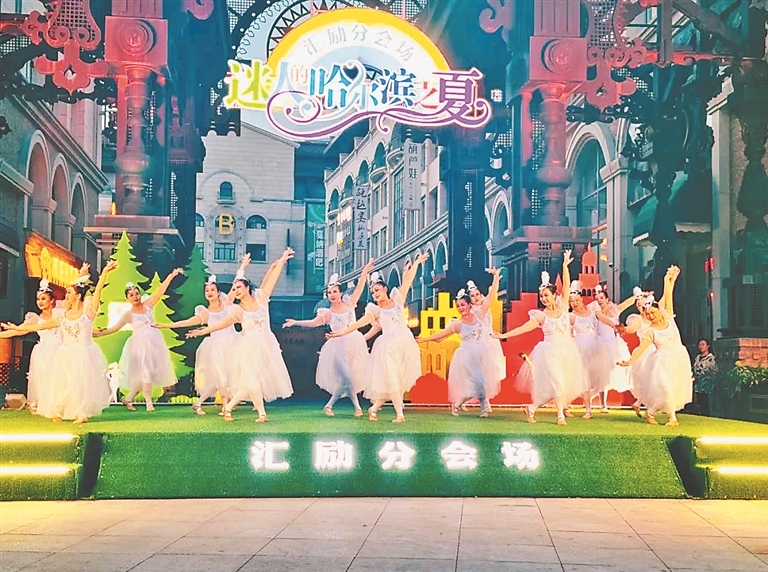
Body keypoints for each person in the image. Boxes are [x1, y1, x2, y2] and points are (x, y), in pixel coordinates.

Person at [188, 248, 295, 422]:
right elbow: (221, 324)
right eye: (234, 288)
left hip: (266, 346)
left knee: (253, 382)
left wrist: (282, 260)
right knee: (252, 380)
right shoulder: (237, 310)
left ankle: (229, 407)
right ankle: (261, 414)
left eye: (238, 287)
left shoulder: (261, 298)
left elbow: (272, 280)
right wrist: (202, 331)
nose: (236, 290)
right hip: (248, 349)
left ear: (247, 287)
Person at [3, 261, 117, 423]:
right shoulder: (62, 316)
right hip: (65, 354)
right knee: (63, 383)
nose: (66, 295)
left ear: (78, 296)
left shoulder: (88, 312)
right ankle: (59, 411)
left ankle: (81, 413)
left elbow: (97, 293)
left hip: (83, 353)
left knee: (81, 383)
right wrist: (16, 328)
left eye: (69, 293)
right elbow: (38, 326)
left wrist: (104, 273)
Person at [327, 253, 429, 423]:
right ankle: (400, 415)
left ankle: (374, 408)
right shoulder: (374, 311)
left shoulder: (397, 300)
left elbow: (408, 281)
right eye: (373, 292)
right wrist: (341, 333)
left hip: (404, 344)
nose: (375, 294)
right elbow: (357, 324)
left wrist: (417, 262)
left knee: (397, 381)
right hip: (387, 348)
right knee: (392, 380)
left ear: (385, 289)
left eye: (377, 290)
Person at [493, 250, 587, 426]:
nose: (543, 298)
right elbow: (523, 328)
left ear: (554, 295)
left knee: (558, 387)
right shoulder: (540, 316)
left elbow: (566, 285)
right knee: (558, 383)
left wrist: (565, 266)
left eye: (546, 295)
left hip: (567, 351)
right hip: (550, 352)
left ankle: (531, 408)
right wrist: (504, 335)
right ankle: (560, 416)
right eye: (541, 296)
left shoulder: (563, 306)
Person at [283, 260, 374, 417]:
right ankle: (356, 408)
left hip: (354, 345)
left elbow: (359, 288)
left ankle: (330, 406)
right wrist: (296, 322)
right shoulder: (327, 313)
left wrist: (365, 272)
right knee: (348, 379)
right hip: (337, 347)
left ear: (341, 293)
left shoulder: (350, 304)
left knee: (346, 381)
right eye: (329, 292)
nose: (332, 295)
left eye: (334, 292)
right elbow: (313, 323)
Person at [94, 268, 183, 411]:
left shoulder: (148, 305)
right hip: (139, 346)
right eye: (131, 295)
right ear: (127, 299)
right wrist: (99, 334)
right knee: (145, 372)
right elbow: (114, 328)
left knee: (148, 374)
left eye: (137, 294)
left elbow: (161, 290)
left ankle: (128, 398)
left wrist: (171, 275)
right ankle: (148, 402)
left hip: (153, 344)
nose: (135, 296)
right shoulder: (128, 315)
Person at [417, 270, 502, 418]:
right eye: (458, 306)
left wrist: (495, 278)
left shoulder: (480, 314)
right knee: (477, 382)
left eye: (463, 305)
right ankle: (466, 405)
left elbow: (491, 297)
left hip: (482, 353)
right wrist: (425, 339)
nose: (461, 308)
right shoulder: (457, 323)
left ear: (469, 305)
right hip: (467, 356)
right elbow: (442, 334)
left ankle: (471, 407)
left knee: (481, 382)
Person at [155, 272, 243, 415]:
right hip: (216, 347)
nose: (209, 293)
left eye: (212, 290)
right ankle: (225, 407)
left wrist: (243, 267)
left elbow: (235, 285)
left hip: (233, 344)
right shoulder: (205, 312)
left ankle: (199, 403)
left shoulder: (227, 303)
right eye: (207, 291)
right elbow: (188, 322)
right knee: (221, 377)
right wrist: (166, 325)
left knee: (229, 377)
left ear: (218, 292)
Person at [619, 266, 693, 426]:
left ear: (659, 310)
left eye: (653, 312)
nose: (651, 316)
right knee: (666, 388)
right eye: (648, 314)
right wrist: (630, 361)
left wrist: (669, 280)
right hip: (661, 361)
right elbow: (641, 349)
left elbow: (668, 295)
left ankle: (650, 412)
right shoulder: (650, 331)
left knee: (673, 389)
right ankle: (672, 419)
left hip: (678, 358)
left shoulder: (669, 319)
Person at [568, 280, 613, 418]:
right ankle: (588, 409)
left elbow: (603, 318)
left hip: (596, 347)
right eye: (571, 301)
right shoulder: (571, 316)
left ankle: (600, 404)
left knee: (598, 377)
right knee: (584, 379)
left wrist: (615, 326)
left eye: (576, 300)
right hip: (580, 348)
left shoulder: (593, 309)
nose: (574, 303)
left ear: (581, 299)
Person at [587, 283, 633, 409]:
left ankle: (593, 396)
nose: (599, 300)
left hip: (613, 344)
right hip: (600, 345)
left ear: (607, 299)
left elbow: (628, 303)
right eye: (597, 299)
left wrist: (639, 296)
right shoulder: (595, 312)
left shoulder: (614, 310)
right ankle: (602, 404)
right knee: (602, 373)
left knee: (612, 372)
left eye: (602, 298)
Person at [466, 270, 506, 412]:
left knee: (490, 373)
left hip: (491, 341)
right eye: (472, 296)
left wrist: (496, 278)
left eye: (477, 294)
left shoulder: (484, 304)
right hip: (479, 343)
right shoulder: (473, 311)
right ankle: (483, 401)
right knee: (481, 373)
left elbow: (492, 294)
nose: (475, 297)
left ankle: (482, 400)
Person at [692, 338, 717, 416]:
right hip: (698, 385)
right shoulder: (697, 357)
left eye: (703, 344)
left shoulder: (711, 358)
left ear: (708, 346)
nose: (701, 346)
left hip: (707, 385)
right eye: (700, 345)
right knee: (699, 402)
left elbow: (711, 371)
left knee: (706, 403)